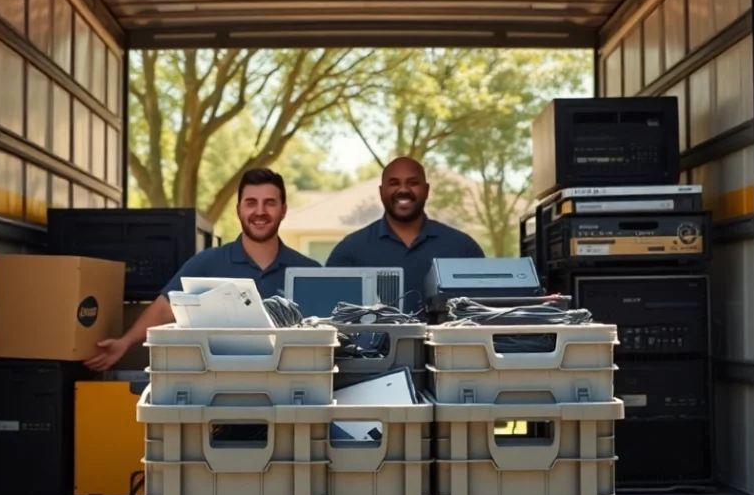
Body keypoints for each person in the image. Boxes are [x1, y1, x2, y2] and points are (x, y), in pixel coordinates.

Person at [85, 167, 318, 371]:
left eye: (270, 203)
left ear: (284, 210)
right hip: (220, 395)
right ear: (238, 210)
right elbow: (164, 310)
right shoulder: (207, 263)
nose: (260, 211)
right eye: (251, 203)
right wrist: (124, 343)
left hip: (291, 398)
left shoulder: (309, 272)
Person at [326, 156, 485, 313]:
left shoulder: (463, 248)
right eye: (394, 183)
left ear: (426, 190)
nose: (403, 190)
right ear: (381, 192)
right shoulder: (350, 251)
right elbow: (328, 316)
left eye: (413, 183)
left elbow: (486, 315)